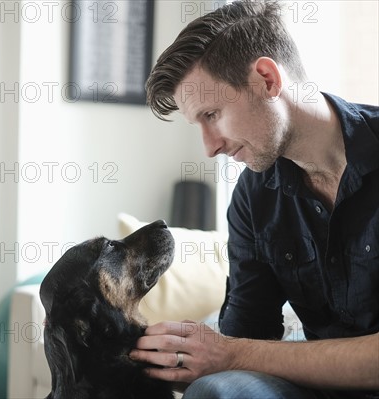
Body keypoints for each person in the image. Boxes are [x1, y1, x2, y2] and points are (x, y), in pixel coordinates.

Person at [128, 1, 379, 398]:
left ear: (266, 79)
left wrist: (231, 352)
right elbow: (245, 336)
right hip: (315, 387)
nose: (209, 148)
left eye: (212, 114)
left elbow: (237, 351)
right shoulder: (253, 196)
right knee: (219, 391)